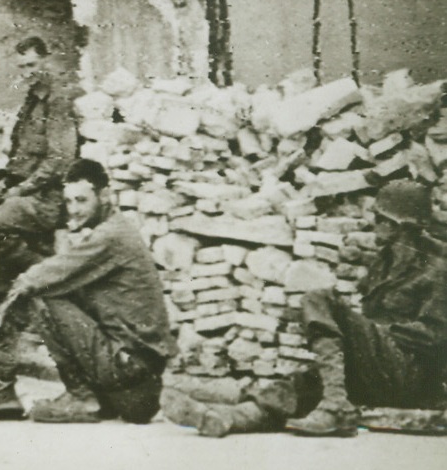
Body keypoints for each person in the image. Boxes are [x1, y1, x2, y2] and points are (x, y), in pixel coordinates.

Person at [163, 179, 447, 438]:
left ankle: (336, 405)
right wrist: (365, 337)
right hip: (380, 370)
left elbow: (435, 337)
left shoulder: (436, 270)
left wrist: (371, 333)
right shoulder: (383, 264)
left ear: (398, 225)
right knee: (307, 382)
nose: (373, 224)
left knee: (319, 299)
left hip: (410, 377)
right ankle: (231, 418)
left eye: (379, 218)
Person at [0, 158, 177, 424]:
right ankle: (95, 397)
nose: (73, 210)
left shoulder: (110, 236)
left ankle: (82, 397)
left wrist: (3, 322)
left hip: (131, 369)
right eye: (69, 201)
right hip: (138, 371)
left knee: (40, 296)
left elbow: (38, 279)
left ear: (104, 195)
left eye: (82, 200)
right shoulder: (114, 229)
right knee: (60, 293)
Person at [0, 35, 78, 300]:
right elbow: (21, 150)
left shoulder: (58, 99)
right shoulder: (33, 98)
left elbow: (60, 159)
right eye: (22, 67)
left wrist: (21, 189)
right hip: (26, 192)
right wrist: (4, 179)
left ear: (47, 60)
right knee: (4, 282)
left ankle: (49, 276)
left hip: (48, 197)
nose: (27, 73)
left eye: (32, 65)